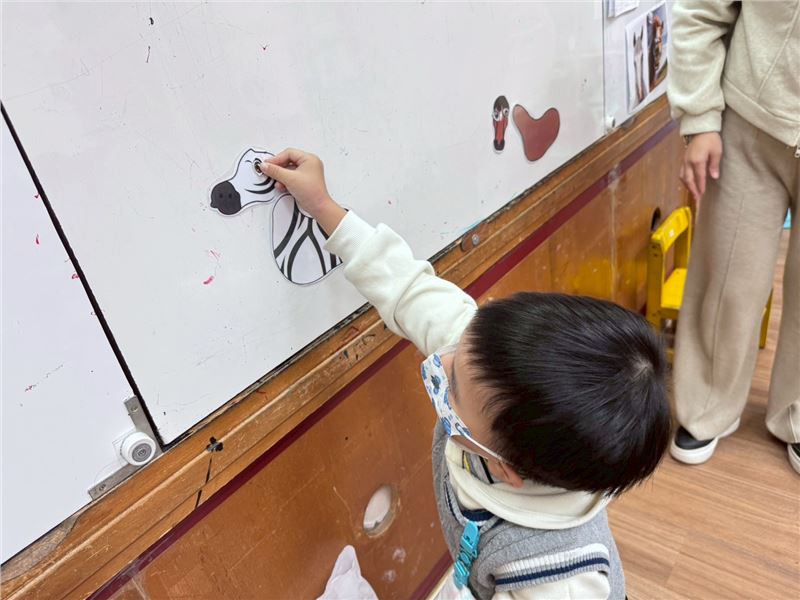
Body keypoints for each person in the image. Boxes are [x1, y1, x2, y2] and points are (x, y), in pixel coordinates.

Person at [261, 149, 670, 599]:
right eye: (462, 342)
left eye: (450, 388)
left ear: (505, 468)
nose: (442, 361)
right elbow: (408, 289)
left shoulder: (559, 581)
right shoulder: (487, 366)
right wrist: (324, 207)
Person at [667, 1, 799, 473]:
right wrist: (700, 116)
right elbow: (700, 11)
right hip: (752, 119)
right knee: (728, 276)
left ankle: (797, 412)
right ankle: (706, 404)